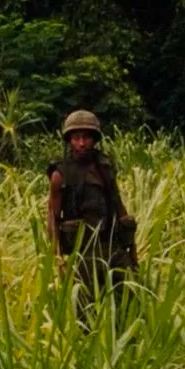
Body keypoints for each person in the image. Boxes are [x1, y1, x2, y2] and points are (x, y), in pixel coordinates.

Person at [47, 110, 137, 307]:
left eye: (86, 137)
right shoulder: (60, 174)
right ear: (69, 140)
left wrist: (129, 240)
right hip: (82, 251)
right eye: (76, 137)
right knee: (85, 308)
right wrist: (57, 256)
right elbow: (53, 217)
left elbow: (117, 203)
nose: (81, 143)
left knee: (132, 297)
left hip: (111, 245)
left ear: (95, 140)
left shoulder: (105, 166)